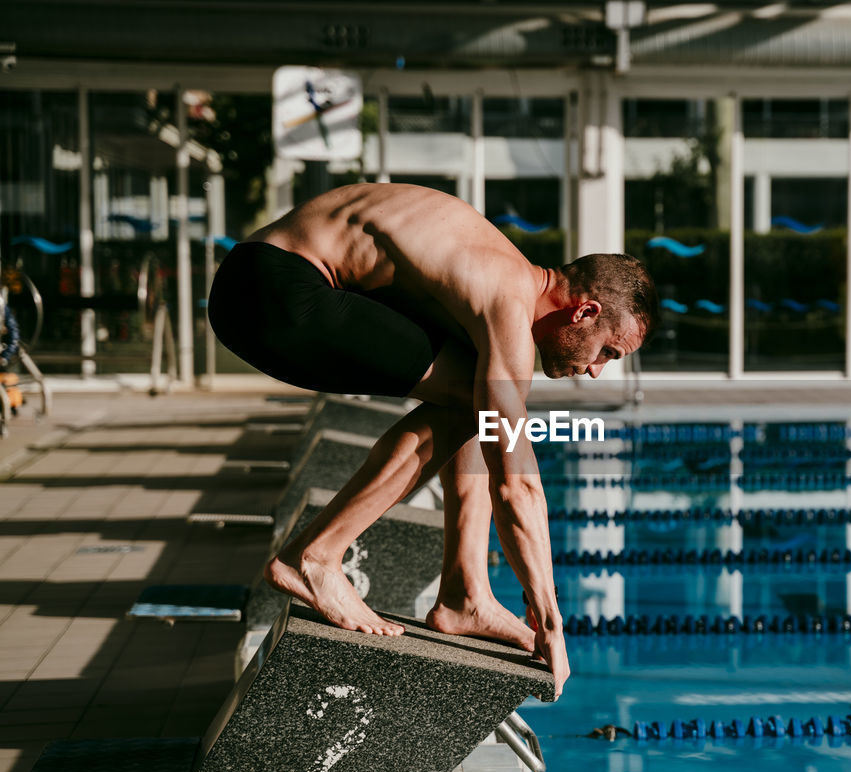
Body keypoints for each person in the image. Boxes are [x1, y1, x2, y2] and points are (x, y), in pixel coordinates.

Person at [208, 183, 657, 699]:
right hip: (275, 288)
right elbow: (517, 488)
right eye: (608, 352)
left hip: (261, 278)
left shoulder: (500, 276)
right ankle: (313, 559)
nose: (597, 372)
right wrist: (551, 621)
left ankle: (465, 593)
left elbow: (486, 436)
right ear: (585, 312)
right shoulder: (506, 301)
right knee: (477, 395)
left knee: (473, 397)